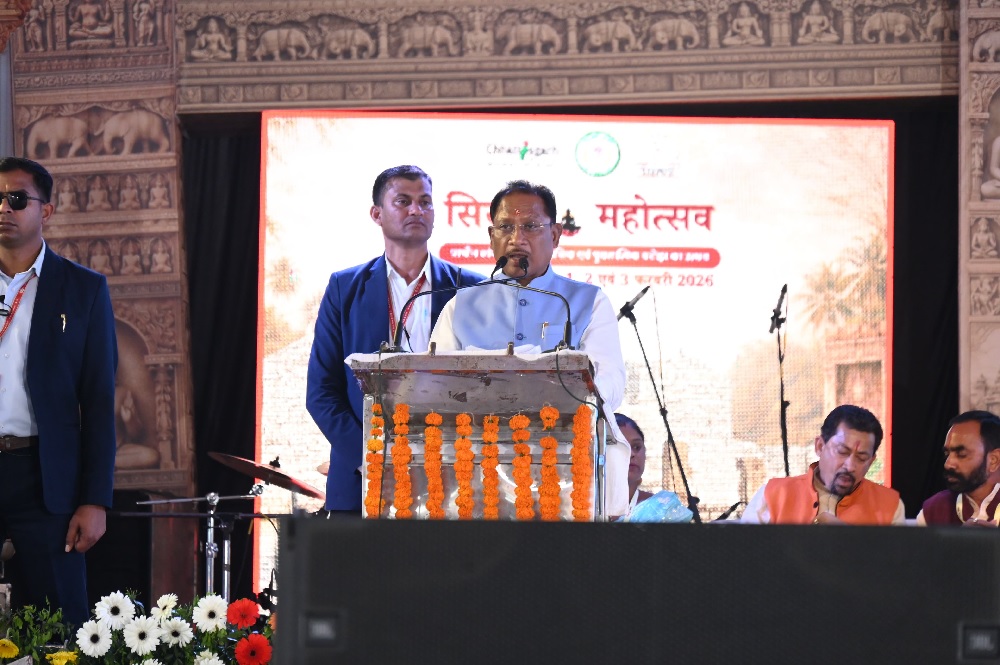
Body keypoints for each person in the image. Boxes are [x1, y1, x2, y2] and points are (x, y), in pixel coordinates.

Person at [429, 179, 629, 516]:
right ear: (491, 237)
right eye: (505, 227)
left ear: (555, 235)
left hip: (567, 476)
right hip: (477, 480)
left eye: (531, 226)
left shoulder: (588, 301)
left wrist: (563, 386)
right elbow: (433, 390)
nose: (516, 238)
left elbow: (611, 384)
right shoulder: (460, 306)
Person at [306, 165, 484, 511]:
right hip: (363, 480)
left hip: (451, 479)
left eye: (425, 202)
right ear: (377, 214)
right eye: (403, 201)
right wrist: (372, 457)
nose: (417, 210)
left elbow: (484, 386)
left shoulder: (470, 288)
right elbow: (321, 392)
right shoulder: (345, 288)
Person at [0, 157, 117, 625]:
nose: (4, 208)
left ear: (45, 211)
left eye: (16, 198)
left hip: (45, 477)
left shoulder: (83, 289)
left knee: (59, 625)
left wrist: (95, 499)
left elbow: (99, 400)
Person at [740, 404, 904, 524]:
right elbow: (745, 555)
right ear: (820, 446)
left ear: (871, 461)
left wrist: (851, 540)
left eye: (861, 458)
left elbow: (895, 561)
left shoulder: (889, 506)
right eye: (842, 452)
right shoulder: (772, 496)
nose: (850, 466)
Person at [917, 411, 1000, 526]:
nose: (948, 464)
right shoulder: (933, 510)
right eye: (947, 454)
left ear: (994, 460)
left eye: (961, 454)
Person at [616, 413, 653, 518]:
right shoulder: (578, 506)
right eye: (621, 447)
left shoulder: (662, 509)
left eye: (636, 447)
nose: (631, 454)